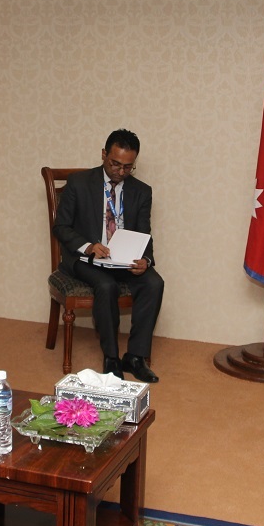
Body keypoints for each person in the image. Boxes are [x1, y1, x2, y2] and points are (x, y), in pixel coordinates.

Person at [53, 129, 165, 383]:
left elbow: (144, 232)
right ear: (104, 154)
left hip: (123, 259)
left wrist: (146, 260)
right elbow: (61, 227)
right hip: (86, 258)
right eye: (115, 164)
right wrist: (88, 246)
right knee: (106, 285)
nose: (120, 171)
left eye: (128, 167)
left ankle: (135, 357)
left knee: (154, 283)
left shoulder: (142, 191)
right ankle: (111, 358)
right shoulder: (79, 183)